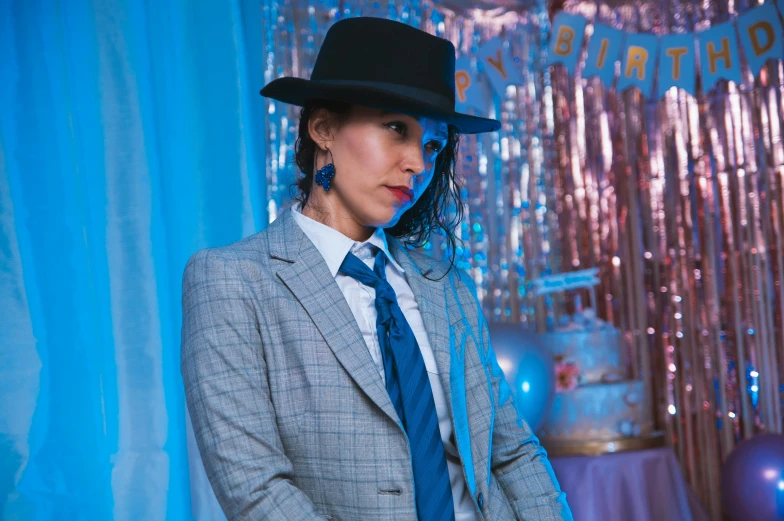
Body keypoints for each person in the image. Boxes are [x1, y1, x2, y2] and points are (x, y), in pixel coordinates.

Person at [181, 16, 572, 521]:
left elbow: (512, 451)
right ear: (323, 128)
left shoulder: (444, 284)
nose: (417, 162)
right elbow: (256, 489)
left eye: (432, 145)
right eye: (395, 128)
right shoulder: (232, 280)